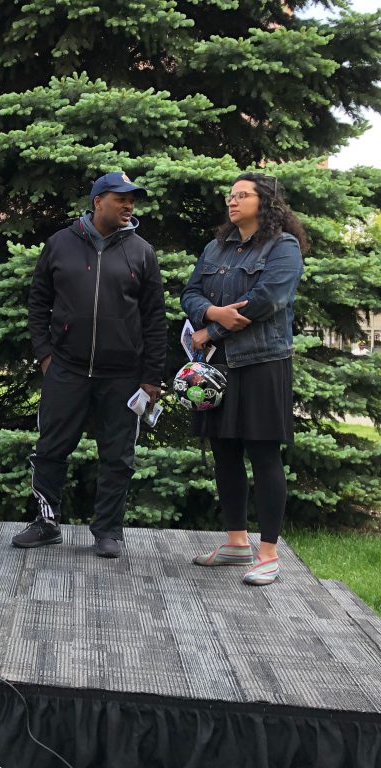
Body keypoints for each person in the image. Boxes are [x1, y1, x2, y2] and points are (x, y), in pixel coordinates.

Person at [12, 172, 167, 558]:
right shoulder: (60, 244)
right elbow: (38, 303)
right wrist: (46, 354)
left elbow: (154, 319)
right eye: (121, 199)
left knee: (118, 456)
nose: (129, 205)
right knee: (50, 448)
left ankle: (108, 531)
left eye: (133, 200)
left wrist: (151, 378)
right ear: (98, 201)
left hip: (123, 374)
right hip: (67, 367)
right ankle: (47, 523)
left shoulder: (142, 252)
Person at [182, 173, 305, 586]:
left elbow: (270, 299)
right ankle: (236, 542)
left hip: (263, 363)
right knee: (225, 451)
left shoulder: (283, 246)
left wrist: (212, 330)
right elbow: (190, 293)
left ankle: (268, 552)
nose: (232, 201)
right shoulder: (216, 247)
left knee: (264, 452)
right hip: (219, 367)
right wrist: (212, 314)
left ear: (265, 201)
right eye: (230, 195)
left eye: (242, 195)